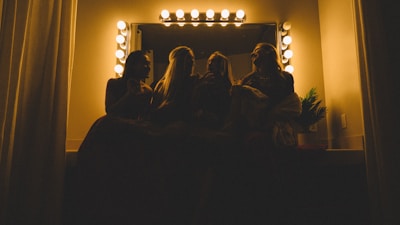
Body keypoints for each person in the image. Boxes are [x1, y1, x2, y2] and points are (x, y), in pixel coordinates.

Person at [225, 42, 301, 149]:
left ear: (268, 53)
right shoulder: (248, 80)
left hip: (279, 126)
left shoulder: (285, 78)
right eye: (253, 52)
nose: (253, 53)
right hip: (255, 127)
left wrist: (273, 114)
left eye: (257, 50)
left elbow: (292, 104)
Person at [150, 46, 198, 125]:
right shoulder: (161, 86)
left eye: (192, 61)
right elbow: (152, 114)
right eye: (188, 62)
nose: (192, 63)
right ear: (178, 63)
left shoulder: (194, 83)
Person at [191, 51, 234, 129]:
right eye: (209, 61)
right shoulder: (203, 81)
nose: (210, 63)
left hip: (217, 121)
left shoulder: (225, 85)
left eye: (214, 61)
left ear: (221, 65)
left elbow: (225, 107)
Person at [105, 50, 153, 120]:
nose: (148, 68)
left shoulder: (147, 91)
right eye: (144, 64)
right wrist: (129, 95)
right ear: (133, 65)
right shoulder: (114, 84)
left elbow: (145, 117)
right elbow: (110, 111)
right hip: (114, 127)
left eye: (149, 64)